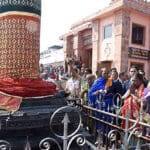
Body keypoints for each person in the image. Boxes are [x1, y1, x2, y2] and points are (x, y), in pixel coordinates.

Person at [89, 67, 116, 138]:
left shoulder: (111, 81)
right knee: (100, 121)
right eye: (104, 73)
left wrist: (109, 94)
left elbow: (114, 93)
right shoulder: (97, 81)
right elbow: (91, 93)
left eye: (107, 73)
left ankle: (107, 137)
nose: (106, 74)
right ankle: (99, 137)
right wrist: (98, 92)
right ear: (101, 74)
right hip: (100, 105)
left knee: (108, 121)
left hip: (109, 105)